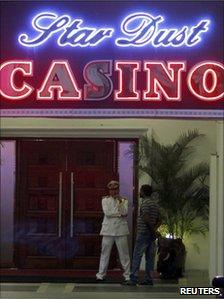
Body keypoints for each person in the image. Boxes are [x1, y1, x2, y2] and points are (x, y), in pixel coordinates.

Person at [124, 184, 162, 286]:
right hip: (151, 235)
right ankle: (149, 279)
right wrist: (155, 230)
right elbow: (160, 219)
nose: (139, 192)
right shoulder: (155, 204)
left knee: (137, 255)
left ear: (143, 192)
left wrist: (152, 230)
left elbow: (146, 218)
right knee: (149, 257)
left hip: (144, 233)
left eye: (140, 190)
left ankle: (133, 279)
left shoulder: (145, 203)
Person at [96, 180, 130, 282]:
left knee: (124, 254)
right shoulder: (105, 200)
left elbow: (124, 212)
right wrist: (119, 214)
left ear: (118, 190)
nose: (114, 191)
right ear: (109, 190)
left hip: (121, 230)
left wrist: (120, 203)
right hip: (108, 230)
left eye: (115, 189)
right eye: (112, 190)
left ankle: (127, 275)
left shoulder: (124, 200)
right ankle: (101, 275)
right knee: (104, 253)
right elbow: (108, 213)